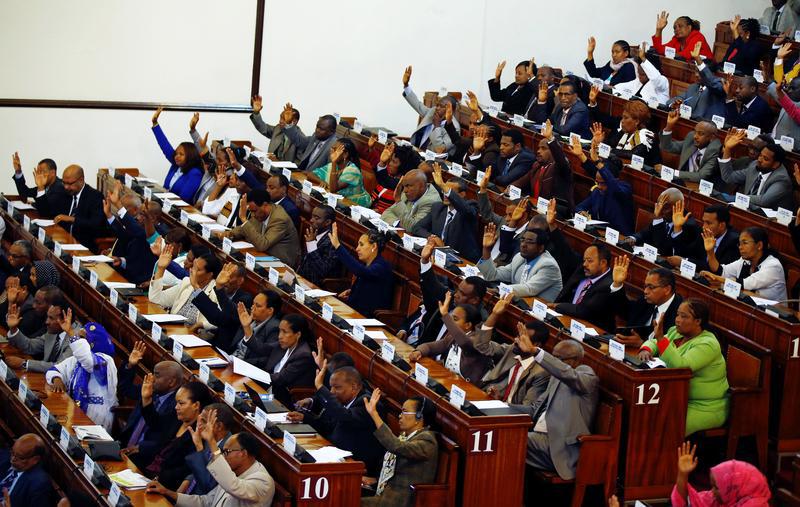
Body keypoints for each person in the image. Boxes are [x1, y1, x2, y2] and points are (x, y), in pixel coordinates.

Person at [514, 337, 598, 481]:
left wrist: (535, 351)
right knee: (502, 435)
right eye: (553, 356)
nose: (554, 361)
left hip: (559, 446)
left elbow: (568, 374)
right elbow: (535, 409)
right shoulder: (555, 378)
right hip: (538, 437)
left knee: (510, 441)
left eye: (559, 358)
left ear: (576, 359)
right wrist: (500, 407)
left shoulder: (587, 377)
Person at [639, 299, 729, 435]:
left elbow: (682, 366)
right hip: (676, 398)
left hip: (705, 406)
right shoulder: (677, 332)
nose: (677, 320)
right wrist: (647, 349)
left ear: (698, 321)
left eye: (684, 316)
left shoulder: (708, 344)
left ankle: (667, 456)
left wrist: (660, 339)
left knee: (665, 425)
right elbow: (656, 342)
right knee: (644, 416)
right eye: (677, 315)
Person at [288, 365, 386, 476]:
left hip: (356, 465)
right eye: (331, 387)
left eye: (337, 387)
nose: (332, 392)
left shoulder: (367, 402)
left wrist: (320, 387)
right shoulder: (343, 402)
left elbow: (344, 417)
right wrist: (305, 418)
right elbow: (328, 426)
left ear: (353, 387)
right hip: (333, 453)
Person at [147, 424, 275, 506]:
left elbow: (233, 486)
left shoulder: (262, 480)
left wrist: (213, 444)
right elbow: (206, 501)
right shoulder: (233, 472)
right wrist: (167, 492)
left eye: (226, 452)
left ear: (243, 453)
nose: (223, 457)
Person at [409, 293, 510, 385]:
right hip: (449, 382)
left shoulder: (475, 341)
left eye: (455, 319)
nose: (451, 322)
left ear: (468, 325)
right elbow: (431, 347)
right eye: (451, 318)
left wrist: (445, 315)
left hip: (469, 391)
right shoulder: (452, 337)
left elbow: (464, 342)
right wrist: (419, 351)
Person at [362, 390, 438, 506]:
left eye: (405, 412)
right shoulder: (405, 436)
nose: (399, 415)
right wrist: (375, 480)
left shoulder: (427, 442)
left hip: (399, 502)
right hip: (385, 495)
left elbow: (396, 446)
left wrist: (374, 414)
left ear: (419, 417)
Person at [407, 238, 487, 346]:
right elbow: (433, 285)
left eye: (462, 294)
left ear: (475, 300)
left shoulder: (480, 321)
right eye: (458, 290)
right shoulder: (451, 297)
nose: (456, 295)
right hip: (425, 350)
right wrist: (425, 261)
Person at [118, 344, 184, 470]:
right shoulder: (152, 389)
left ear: (172, 382)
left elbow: (159, 427)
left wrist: (146, 399)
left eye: (157, 375)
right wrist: (131, 365)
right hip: (124, 444)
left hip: (146, 458)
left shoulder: (177, 405)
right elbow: (125, 389)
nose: (152, 378)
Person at [46, 319, 119, 431]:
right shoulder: (76, 360)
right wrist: (57, 379)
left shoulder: (105, 361)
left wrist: (71, 333)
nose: (78, 341)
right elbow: (54, 369)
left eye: (82, 339)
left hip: (96, 416)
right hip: (73, 410)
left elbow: (89, 362)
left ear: (92, 342)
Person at [142, 381, 212, 489]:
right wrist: (146, 399)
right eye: (176, 403)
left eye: (181, 403)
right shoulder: (176, 418)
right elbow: (155, 424)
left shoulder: (199, 435)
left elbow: (186, 469)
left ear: (196, 405)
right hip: (147, 472)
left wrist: (159, 478)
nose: (176, 407)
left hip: (165, 485)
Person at [411, 165, 480, 262]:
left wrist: (443, 185)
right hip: (438, 255)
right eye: (444, 190)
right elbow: (417, 228)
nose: (445, 194)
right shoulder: (438, 207)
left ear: (462, 195)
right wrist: (434, 238)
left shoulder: (471, 207)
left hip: (463, 259)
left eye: (448, 191)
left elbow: (466, 210)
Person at [701, 226, 788, 302]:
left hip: (775, 315)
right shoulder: (744, 260)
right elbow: (720, 271)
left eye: (745, 243)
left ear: (759, 245)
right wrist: (710, 252)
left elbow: (745, 284)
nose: (740, 247)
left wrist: (715, 277)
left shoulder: (773, 266)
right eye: (739, 243)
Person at [33, 164, 107, 251]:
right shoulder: (64, 192)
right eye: (64, 182)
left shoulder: (95, 196)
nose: (66, 187)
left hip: (83, 245)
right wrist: (41, 188)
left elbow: (96, 224)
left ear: (81, 180)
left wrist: (72, 219)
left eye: (69, 183)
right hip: (62, 240)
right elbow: (46, 213)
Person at [478, 225, 562, 301]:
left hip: (537, 314)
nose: (523, 245)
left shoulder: (548, 265)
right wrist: (486, 249)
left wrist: (498, 290)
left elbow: (529, 289)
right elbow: (493, 275)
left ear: (540, 248)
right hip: (516, 303)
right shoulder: (519, 257)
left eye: (529, 242)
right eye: (522, 240)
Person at [671, 442, 770, 506]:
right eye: (713, 486)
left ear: (733, 487)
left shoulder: (755, 504)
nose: (712, 491)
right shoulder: (720, 498)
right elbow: (692, 501)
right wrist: (682, 474)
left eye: (717, 487)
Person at [612, 259, 684, 348]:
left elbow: (673, 348)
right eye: (645, 286)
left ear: (667, 289)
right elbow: (624, 311)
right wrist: (617, 284)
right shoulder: (646, 300)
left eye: (651, 287)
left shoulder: (680, 312)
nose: (645, 291)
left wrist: (643, 344)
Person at [553, 245, 625, 331]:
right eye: (584, 260)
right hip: (567, 319)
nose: (584, 264)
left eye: (590, 261)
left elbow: (584, 311)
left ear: (603, 263)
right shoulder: (583, 271)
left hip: (591, 331)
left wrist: (557, 305)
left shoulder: (609, 284)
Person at [222, 189, 301, 267]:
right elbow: (244, 228)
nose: (252, 215)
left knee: (240, 266)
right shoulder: (261, 213)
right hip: (264, 256)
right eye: (251, 211)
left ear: (265, 205)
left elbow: (262, 245)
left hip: (281, 264)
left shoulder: (280, 219)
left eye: (254, 211)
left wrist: (243, 218)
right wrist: (230, 233)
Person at [479, 320, 551, 405]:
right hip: (491, 400)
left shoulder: (541, 373)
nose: (516, 340)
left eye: (523, 338)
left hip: (512, 413)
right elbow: (482, 346)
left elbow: (527, 408)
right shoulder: (513, 350)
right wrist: (494, 315)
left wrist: (502, 404)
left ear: (536, 345)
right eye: (518, 335)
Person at [570, 141, 635, 235]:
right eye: (597, 182)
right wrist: (581, 212)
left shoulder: (624, 188)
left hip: (620, 237)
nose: (599, 186)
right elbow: (579, 207)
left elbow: (614, 186)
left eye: (603, 183)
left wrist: (598, 162)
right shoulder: (597, 192)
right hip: (600, 234)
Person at [719, 129, 794, 211]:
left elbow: (763, 201)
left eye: (765, 159)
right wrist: (727, 149)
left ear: (776, 164)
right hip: (747, 209)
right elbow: (729, 177)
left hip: (767, 219)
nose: (759, 160)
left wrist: (737, 198)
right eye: (760, 155)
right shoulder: (755, 165)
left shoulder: (782, 179)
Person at [149, 247, 222, 330]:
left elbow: (219, 320)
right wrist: (161, 269)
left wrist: (201, 324)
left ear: (209, 275)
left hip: (195, 336)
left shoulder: (216, 292)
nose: (191, 271)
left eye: (197, 269)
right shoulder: (186, 283)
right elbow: (156, 299)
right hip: (172, 329)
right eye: (193, 267)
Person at [329, 224, 393, 317]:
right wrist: (352, 292)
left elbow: (361, 272)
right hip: (354, 311)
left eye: (361, 244)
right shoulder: (367, 263)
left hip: (367, 318)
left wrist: (338, 246)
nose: (357, 249)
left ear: (374, 246)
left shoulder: (382, 266)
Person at [630, 188, 704, 267]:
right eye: (659, 205)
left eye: (665, 207)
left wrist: (658, 218)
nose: (660, 210)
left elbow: (664, 250)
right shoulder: (665, 215)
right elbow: (646, 232)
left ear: (678, 207)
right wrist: (633, 238)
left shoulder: (689, 226)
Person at [511, 120, 574, 213]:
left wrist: (551, 139)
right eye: (538, 148)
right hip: (536, 208)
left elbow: (561, 159)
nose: (538, 151)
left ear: (553, 150)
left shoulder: (560, 167)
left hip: (556, 213)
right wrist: (511, 188)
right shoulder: (537, 165)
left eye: (543, 148)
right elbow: (522, 181)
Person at [254, 313, 316, 406]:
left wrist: (255, 374)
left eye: (285, 332)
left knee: (248, 402)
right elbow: (263, 350)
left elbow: (281, 379)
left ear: (298, 334)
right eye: (279, 331)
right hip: (269, 390)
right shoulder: (285, 344)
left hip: (282, 399)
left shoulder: (303, 355)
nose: (280, 336)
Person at [588, 92, 660, 167]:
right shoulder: (624, 132)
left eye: (626, 118)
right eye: (622, 117)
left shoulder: (647, 136)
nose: (622, 121)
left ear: (637, 121)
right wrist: (600, 142)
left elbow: (633, 154)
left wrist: (609, 149)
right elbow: (610, 145)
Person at [104, 183, 157, 284]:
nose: (138, 217)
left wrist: (118, 204)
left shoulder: (156, 234)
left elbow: (136, 230)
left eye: (142, 215)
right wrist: (109, 215)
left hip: (139, 281)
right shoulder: (139, 229)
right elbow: (124, 235)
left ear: (153, 219)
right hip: (127, 273)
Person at [178, 403, 235, 495]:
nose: (198, 424)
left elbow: (207, 485)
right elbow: (200, 469)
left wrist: (199, 447)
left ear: (219, 426)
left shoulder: (229, 451)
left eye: (203, 421)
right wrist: (185, 483)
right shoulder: (211, 438)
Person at [401, 65, 459, 154]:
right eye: (437, 105)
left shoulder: (455, 129)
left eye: (442, 106)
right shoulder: (433, 111)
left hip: (433, 162)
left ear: (451, 110)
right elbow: (418, 105)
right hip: (416, 151)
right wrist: (406, 85)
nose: (437, 108)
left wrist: (437, 127)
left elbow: (440, 150)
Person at [476, 169, 530, 264]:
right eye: (507, 214)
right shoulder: (504, 221)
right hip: (484, 263)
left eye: (511, 215)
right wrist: (483, 189)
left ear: (524, 216)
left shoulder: (528, 235)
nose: (507, 218)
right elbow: (487, 214)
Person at [151, 107, 204, 202]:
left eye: (181, 154)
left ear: (190, 156)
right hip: (164, 204)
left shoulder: (195, 173)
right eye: (176, 153)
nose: (177, 156)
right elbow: (164, 145)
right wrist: (155, 123)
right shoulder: (176, 165)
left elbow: (184, 198)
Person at [6, 300, 74, 373]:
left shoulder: (75, 339)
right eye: (47, 317)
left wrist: (25, 364)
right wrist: (13, 329)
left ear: (65, 320)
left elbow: (59, 367)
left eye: (51, 318)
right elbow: (30, 346)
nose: (46, 322)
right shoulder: (52, 333)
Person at [667, 43, 727, 121]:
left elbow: (711, 81)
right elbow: (675, 100)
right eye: (696, 71)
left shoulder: (719, 86)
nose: (696, 75)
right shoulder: (693, 87)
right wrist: (674, 104)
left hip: (707, 128)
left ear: (712, 74)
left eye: (699, 72)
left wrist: (698, 59)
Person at [660, 110, 722, 184]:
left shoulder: (715, 151)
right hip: (682, 181)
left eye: (701, 134)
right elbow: (667, 147)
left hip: (701, 188)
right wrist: (669, 126)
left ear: (712, 137)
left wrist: (673, 173)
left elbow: (701, 176)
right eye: (695, 132)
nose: (695, 136)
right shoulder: (691, 139)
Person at [364, 138, 423, 213]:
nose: (390, 164)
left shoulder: (404, 185)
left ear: (404, 166)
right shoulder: (390, 175)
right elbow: (379, 174)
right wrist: (382, 162)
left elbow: (387, 180)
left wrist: (382, 163)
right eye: (391, 160)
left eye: (394, 162)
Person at [311, 138, 372, 206]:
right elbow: (310, 174)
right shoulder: (333, 166)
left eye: (335, 149)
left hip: (355, 205)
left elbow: (333, 189)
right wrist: (320, 181)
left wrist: (334, 162)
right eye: (332, 148)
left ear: (345, 154)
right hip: (339, 201)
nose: (331, 151)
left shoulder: (353, 170)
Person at [279, 102, 338, 171]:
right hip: (301, 173)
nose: (317, 130)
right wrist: (288, 124)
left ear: (332, 132)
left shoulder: (334, 146)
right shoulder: (316, 137)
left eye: (321, 129)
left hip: (315, 179)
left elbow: (328, 171)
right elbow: (299, 141)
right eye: (317, 127)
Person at [0, 434, 55, 506]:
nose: (13, 459)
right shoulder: (4, 457)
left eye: (20, 457)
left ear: (35, 459)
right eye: (12, 453)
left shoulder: (39, 485)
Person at [229, 289, 281, 362]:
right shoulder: (251, 317)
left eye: (258, 306)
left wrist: (246, 327)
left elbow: (263, 353)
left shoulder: (275, 328)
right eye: (253, 304)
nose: (252, 307)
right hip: (230, 357)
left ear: (270, 310)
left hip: (244, 366)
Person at [298, 205, 342, 286]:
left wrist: (311, 245)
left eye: (316, 218)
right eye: (312, 216)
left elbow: (323, 271)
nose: (311, 220)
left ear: (327, 222)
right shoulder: (313, 233)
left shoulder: (332, 242)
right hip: (300, 279)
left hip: (316, 285)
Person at [250, 95, 300, 163]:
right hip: (270, 166)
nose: (280, 121)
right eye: (280, 118)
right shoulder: (278, 129)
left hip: (285, 171)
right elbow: (263, 128)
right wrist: (256, 113)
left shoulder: (300, 138)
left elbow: (299, 164)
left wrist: (278, 162)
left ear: (294, 121)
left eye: (284, 119)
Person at [699, 205, 740, 270]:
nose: (704, 227)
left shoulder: (733, 243)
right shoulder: (703, 234)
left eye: (708, 223)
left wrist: (710, 252)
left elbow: (720, 271)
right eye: (704, 222)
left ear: (722, 226)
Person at [768, 70, 800, 142]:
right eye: (788, 87)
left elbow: (794, 111)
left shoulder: (789, 102)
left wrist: (779, 91)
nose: (789, 90)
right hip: (774, 139)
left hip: (791, 148)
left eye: (793, 88)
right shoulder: (790, 99)